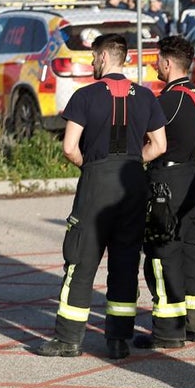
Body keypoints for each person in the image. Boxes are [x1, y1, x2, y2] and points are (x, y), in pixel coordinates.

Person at [32, 33, 167, 359]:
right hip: (133, 184)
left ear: (104, 57)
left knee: (81, 260)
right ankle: (118, 341)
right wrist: (133, 164)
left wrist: (91, 166)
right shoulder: (146, 97)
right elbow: (160, 145)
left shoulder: (85, 95)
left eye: (94, 58)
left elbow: (69, 147)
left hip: (96, 183)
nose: (92, 63)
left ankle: (68, 340)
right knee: (124, 263)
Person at [136, 35, 195, 349]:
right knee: (192, 251)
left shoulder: (169, 99)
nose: (156, 65)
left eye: (158, 60)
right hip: (194, 179)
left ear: (167, 64)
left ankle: (168, 330)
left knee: (162, 251)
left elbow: (151, 141)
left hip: (167, 182)